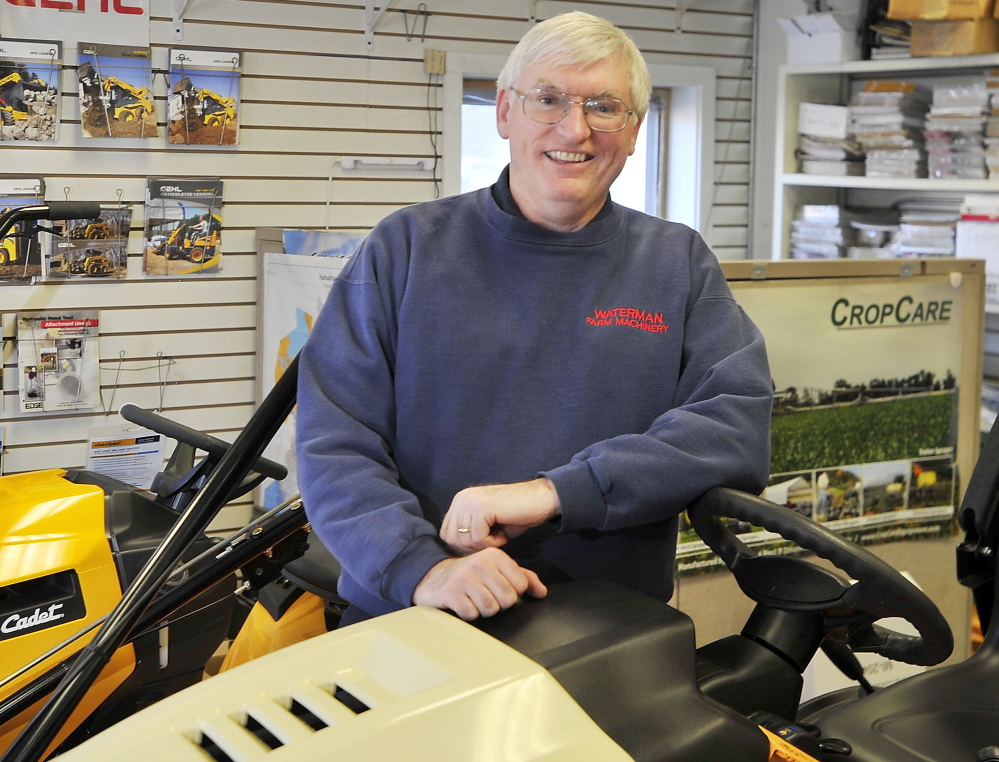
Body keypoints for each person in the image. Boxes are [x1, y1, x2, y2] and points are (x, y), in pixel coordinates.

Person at [296, 11, 773, 626]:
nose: (574, 128)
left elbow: (735, 429)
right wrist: (424, 568)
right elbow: (336, 445)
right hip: (415, 621)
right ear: (503, 112)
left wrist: (555, 493)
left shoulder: (676, 263)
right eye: (547, 99)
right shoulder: (405, 250)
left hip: (609, 639)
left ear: (633, 131)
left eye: (604, 107)